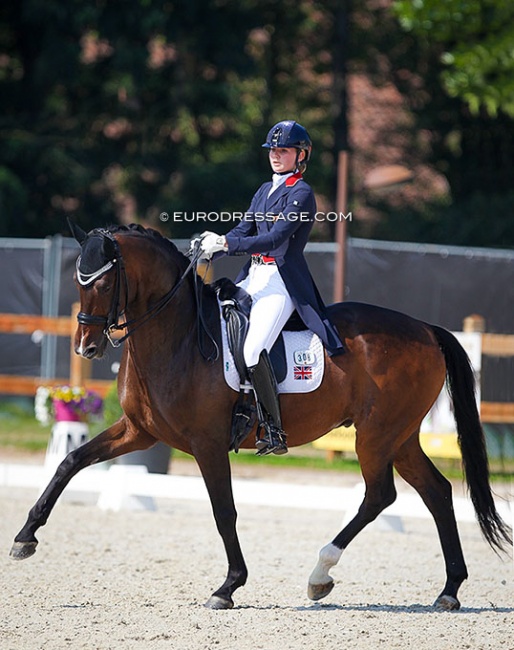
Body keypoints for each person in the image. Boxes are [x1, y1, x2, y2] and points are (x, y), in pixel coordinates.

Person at [196, 120, 345, 455]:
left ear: (300, 155)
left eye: (284, 150)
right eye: (273, 151)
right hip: (253, 276)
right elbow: (245, 228)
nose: (277, 156)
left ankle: (274, 430)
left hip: (281, 281)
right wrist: (214, 240)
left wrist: (226, 245)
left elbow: (275, 237)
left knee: (252, 350)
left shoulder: (302, 194)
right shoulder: (265, 191)